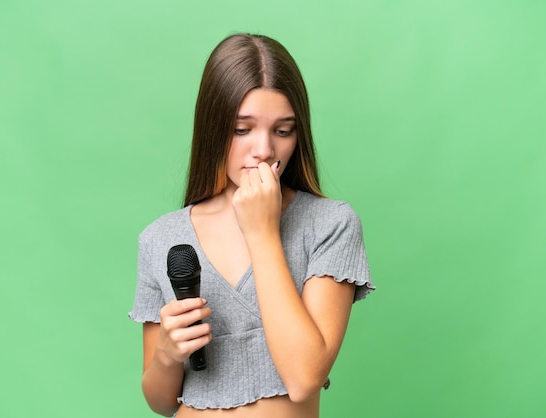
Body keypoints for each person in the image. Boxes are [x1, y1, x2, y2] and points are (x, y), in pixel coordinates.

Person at [129, 33, 375, 418]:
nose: (263, 149)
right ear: (213, 129)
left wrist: (262, 233)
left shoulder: (330, 224)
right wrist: (166, 355)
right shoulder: (161, 239)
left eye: (283, 130)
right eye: (242, 129)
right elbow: (161, 403)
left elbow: (304, 377)